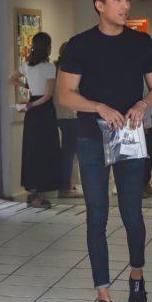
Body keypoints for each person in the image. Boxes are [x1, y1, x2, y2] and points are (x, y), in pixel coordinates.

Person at [58, 0, 152, 302]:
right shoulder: (79, 46)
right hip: (92, 137)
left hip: (131, 138)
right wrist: (99, 107)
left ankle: (136, 274)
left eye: (127, 0)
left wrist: (142, 104)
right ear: (99, 5)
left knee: (132, 212)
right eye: (117, 0)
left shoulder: (141, 44)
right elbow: (66, 95)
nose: (125, 6)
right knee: (96, 216)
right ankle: (103, 296)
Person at [7, 32, 60, 209]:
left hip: (33, 109)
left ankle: (32, 191)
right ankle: (40, 192)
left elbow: (11, 79)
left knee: (31, 149)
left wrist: (27, 89)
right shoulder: (49, 67)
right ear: (47, 47)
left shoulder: (27, 66)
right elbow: (48, 94)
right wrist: (34, 104)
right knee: (45, 149)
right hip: (43, 110)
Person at [54, 42, 83, 199]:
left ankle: (66, 184)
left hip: (61, 114)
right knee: (69, 153)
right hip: (71, 114)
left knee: (67, 151)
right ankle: (65, 187)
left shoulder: (58, 67)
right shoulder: (70, 69)